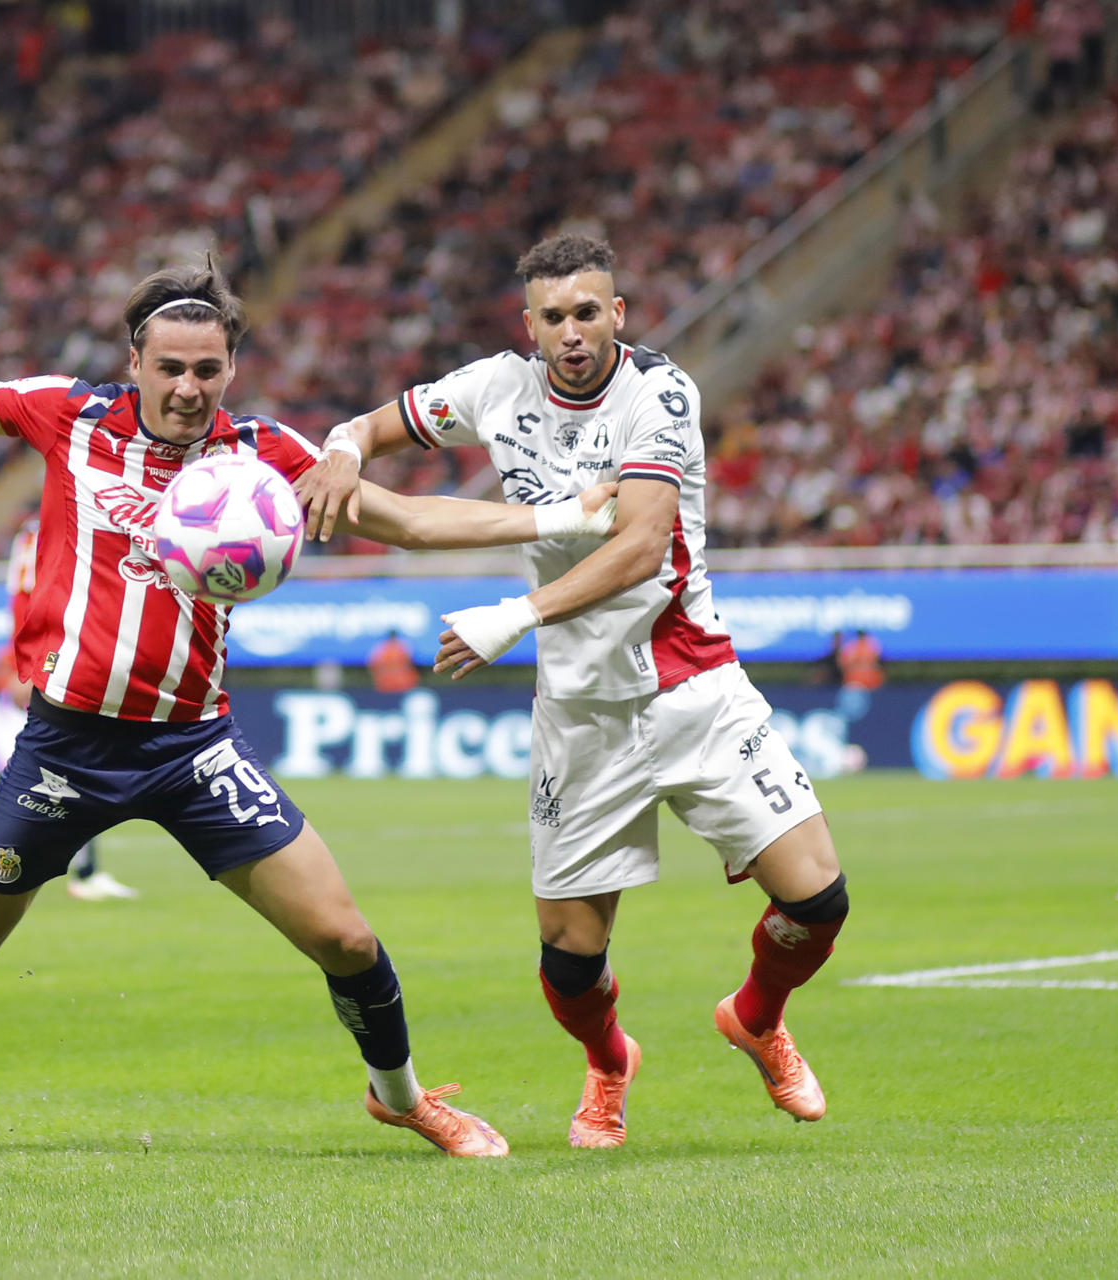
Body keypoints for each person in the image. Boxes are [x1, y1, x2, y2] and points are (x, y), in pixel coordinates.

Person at [0, 250, 617, 1157]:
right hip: (67, 745)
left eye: (207, 369)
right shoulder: (73, 419)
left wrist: (568, 515)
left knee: (343, 935)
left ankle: (403, 1097)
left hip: (193, 751)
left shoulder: (265, 456)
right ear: (133, 361)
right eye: (170, 367)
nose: (188, 387)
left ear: (231, 370)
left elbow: (411, 522)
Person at [297, 233, 849, 1149]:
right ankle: (607, 1065)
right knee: (570, 964)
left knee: (817, 902)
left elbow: (637, 544)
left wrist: (515, 614)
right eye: (553, 317)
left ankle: (756, 1017)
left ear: (618, 314)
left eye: (588, 311)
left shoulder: (660, 394)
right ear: (530, 326)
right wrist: (342, 450)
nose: (572, 332)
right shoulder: (494, 389)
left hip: (694, 689)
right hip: (581, 716)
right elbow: (372, 428)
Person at [0, 515, 137, 901]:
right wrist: (24, 662)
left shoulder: (38, 530)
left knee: (72, 766)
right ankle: (79, 871)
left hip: (54, 658)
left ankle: (83, 868)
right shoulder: (52, 529)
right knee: (71, 766)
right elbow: (33, 601)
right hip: (51, 662)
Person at [365, 628, 419, 694]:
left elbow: (371, 665)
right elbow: (410, 663)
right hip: (403, 682)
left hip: (385, 683)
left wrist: (377, 678)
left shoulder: (380, 648)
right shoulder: (403, 647)